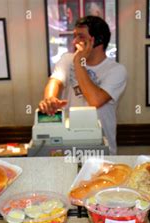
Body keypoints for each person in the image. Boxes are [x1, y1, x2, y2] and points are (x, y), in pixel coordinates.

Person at [38, 16, 127, 155]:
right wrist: (49, 98)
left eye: (80, 36)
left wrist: (79, 62)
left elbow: (95, 100)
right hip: (69, 145)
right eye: (74, 36)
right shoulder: (67, 59)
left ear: (97, 40)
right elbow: (55, 81)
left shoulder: (116, 70)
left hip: (101, 147)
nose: (74, 42)